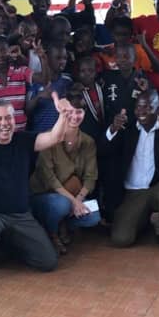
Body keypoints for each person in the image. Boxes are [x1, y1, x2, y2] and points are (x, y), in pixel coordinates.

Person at [0, 95, 70, 273]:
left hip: (21, 215)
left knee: (48, 262)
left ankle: (8, 246)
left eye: (8, 118)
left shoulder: (24, 140)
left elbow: (55, 137)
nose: (4, 123)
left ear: (14, 120)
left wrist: (63, 116)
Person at [105, 89, 159, 252]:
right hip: (133, 192)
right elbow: (103, 150)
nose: (142, 112)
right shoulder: (127, 129)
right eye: (138, 107)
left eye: (148, 107)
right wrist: (113, 128)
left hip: (158, 187)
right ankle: (142, 221)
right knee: (121, 239)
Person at [31, 88, 100, 254]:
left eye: (79, 111)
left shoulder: (88, 142)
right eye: (69, 111)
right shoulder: (48, 138)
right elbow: (49, 180)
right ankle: (52, 233)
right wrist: (74, 202)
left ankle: (62, 224)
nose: (75, 116)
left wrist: (80, 199)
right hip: (44, 194)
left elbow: (91, 177)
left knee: (93, 217)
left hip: (72, 194)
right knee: (61, 205)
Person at [27, 43, 72, 131]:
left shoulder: (68, 81)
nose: (62, 61)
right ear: (47, 58)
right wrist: (39, 96)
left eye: (65, 58)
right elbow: (27, 110)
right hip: (40, 134)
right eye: (58, 58)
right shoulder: (36, 82)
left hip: (61, 134)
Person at [100, 43, 148, 125]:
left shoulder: (142, 79)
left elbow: (150, 103)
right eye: (119, 56)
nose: (122, 59)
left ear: (135, 58)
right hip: (113, 124)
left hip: (136, 125)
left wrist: (146, 91)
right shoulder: (107, 77)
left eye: (126, 56)